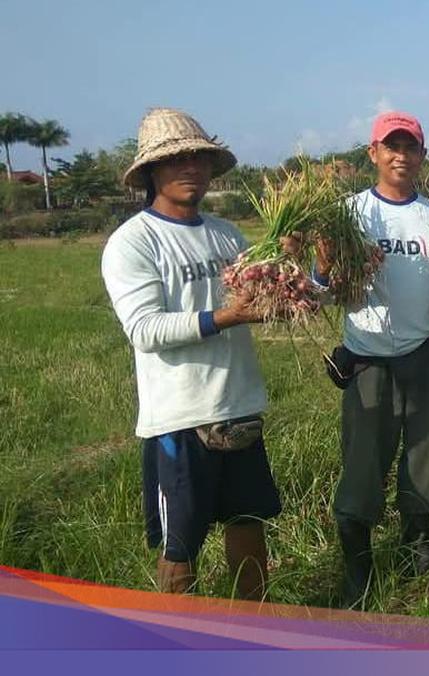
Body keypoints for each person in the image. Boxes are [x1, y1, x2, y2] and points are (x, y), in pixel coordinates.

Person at [100, 108, 280, 599]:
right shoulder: (134, 242)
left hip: (238, 407)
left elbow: (266, 296)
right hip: (179, 420)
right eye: (177, 159)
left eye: (199, 158)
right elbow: (144, 329)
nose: (191, 168)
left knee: (248, 527)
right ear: (150, 171)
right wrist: (225, 317)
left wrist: (315, 271)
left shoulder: (227, 234)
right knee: (180, 545)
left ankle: (253, 626)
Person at [311, 111, 429, 608]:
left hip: (428, 355)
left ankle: (419, 548)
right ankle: (359, 567)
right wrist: (323, 268)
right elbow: (319, 291)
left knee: (427, 455)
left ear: (422, 155)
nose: (401, 156)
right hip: (369, 358)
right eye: (391, 146)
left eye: (410, 147)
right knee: (363, 462)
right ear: (373, 153)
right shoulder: (348, 214)